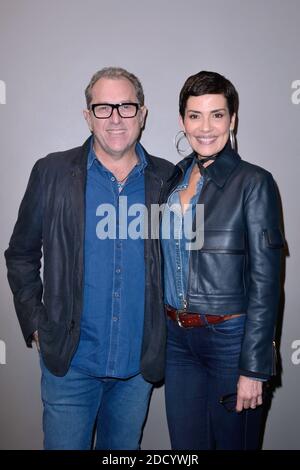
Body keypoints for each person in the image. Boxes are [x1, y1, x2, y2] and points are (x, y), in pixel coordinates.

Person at [5, 66, 174, 450]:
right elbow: (21, 254)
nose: (115, 118)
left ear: (142, 114)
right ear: (87, 115)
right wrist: (36, 323)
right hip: (70, 365)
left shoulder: (167, 179)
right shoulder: (51, 173)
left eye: (126, 107)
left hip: (136, 369)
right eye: (103, 108)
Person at [161, 71, 284, 450]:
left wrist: (253, 367)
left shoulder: (254, 183)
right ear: (182, 120)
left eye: (217, 114)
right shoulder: (172, 180)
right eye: (195, 115)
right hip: (177, 341)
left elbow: (267, 282)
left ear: (232, 120)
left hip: (231, 342)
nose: (205, 127)